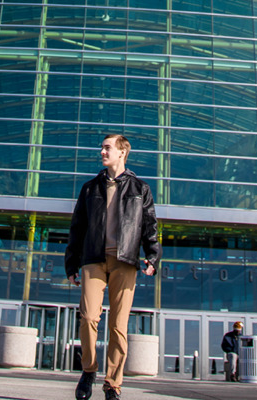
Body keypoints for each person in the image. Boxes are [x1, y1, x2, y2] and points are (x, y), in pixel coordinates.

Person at [65, 134, 161, 400]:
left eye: (107, 148)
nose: (102, 152)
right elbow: (77, 228)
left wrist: (153, 257)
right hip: (93, 258)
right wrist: (71, 263)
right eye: (102, 148)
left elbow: (150, 227)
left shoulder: (140, 189)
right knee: (87, 318)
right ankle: (88, 370)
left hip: (125, 261)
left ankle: (113, 385)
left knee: (118, 325)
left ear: (122, 152)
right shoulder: (89, 188)